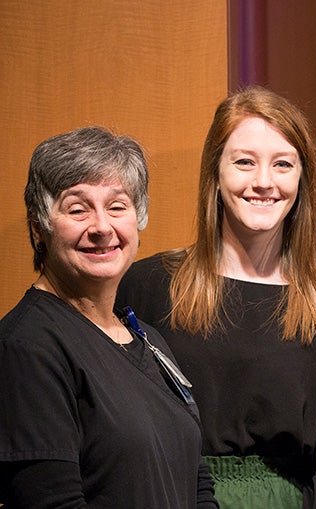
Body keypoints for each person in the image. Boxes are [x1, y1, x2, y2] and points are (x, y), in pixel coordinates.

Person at [116, 88, 316, 508]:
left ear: (301, 180)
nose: (264, 182)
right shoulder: (149, 288)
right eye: (244, 162)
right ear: (215, 173)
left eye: (283, 165)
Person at [0, 127, 216, 507]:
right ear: (39, 229)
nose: (102, 227)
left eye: (117, 206)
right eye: (77, 208)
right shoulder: (26, 347)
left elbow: (197, 483)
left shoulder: (145, 336)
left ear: (138, 220)